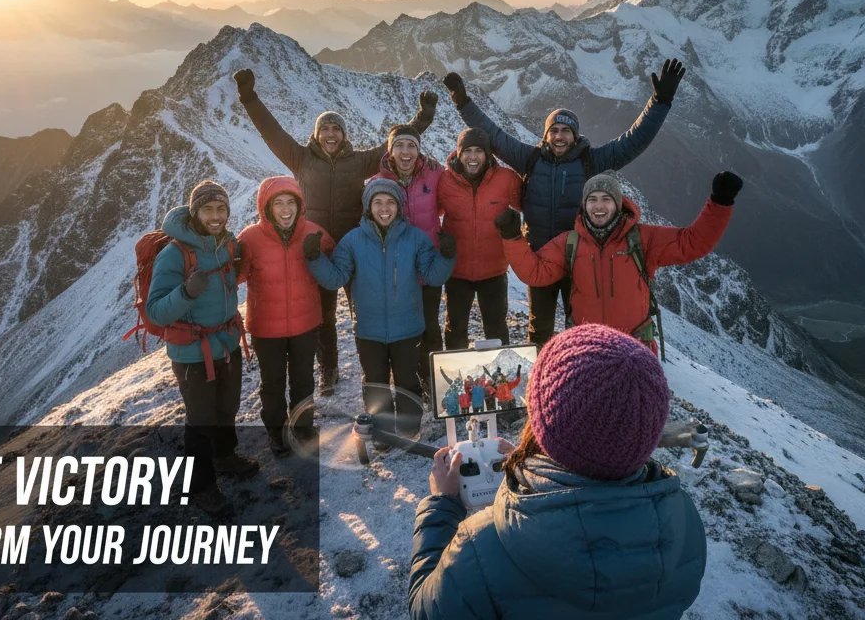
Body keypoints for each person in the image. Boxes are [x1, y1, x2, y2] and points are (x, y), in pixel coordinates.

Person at [409, 324, 706, 618]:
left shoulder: (481, 547)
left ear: (540, 421)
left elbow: (426, 610)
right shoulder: (685, 522)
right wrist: (541, 470)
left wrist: (441, 506)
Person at [442, 60, 685, 348]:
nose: (559, 136)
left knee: (579, 329)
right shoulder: (529, 159)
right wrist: (462, 101)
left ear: (575, 136)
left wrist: (659, 102)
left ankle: (577, 382)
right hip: (541, 258)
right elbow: (493, 136)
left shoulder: (591, 161)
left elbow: (633, 141)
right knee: (539, 328)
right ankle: (543, 384)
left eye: (565, 131)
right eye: (553, 130)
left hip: (580, 259)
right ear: (546, 136)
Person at [234, 68, 436, 396]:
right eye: (324, 129)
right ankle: (329, 369)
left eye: (336, 129)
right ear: (317, 135)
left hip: (357, 248)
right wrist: (248, 96)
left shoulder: (358, 162)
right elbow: (271, 132)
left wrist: (424, 116)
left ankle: (378, 369)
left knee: (365, 311)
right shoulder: (300, 158)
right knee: (324, 315)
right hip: (317, 251)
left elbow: (397, 143)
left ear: (343, 135)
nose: (330, 134)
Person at [495, 172, 740, 353]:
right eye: (592, 200)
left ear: (617, 203)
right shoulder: (569, 243)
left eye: (606, 199)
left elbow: (691, 243)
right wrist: (512, 237)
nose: (599, 206)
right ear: (584, 205)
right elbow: (536, 273)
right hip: (586, 349)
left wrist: (719, 203)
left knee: (633, 416)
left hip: (634, 348)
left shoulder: (642, 239)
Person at [305, 178, 456, 436]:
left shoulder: (415, 238)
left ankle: (409, 431)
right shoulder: (353, 241)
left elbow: (433, 276)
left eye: (390, 202)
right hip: (368, 329)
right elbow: (335, 278)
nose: (384, 208)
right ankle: (383, 434)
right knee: (376, 384)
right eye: (377, 202)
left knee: (408, 383)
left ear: (399, 206)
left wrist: (446, 255)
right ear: (368, 207)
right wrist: (315, 258)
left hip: (408, 328)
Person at [146, 180, 260, 516]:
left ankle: (225, 456)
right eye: (208, 209)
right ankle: (202, 486)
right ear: (195, 212)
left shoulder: (225, 243)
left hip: (226, 343)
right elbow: (155, 311)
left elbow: (231, 276)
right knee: (201, 420)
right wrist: (186, 292)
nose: (215, 215)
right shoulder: (175, 253)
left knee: (227, 408)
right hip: (194, 354)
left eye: (221, 209)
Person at [236, 176, 335, 457]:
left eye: (290, 201)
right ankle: (277, 432)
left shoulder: (314, 232)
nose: (285, 209)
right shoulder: (250, 238)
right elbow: (236, 276)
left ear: (299, 205)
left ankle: (303, 428)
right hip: (266, 328)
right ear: (266, 208)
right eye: (277, 203)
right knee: (273, 381)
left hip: (306, 323)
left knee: (303, 378)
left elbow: (336, 261)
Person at [371, 124, 446, 394]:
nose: (406, 152)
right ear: (390, 151)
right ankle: (408, 381)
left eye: (411, 146)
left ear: (419, 150)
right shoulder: (378, 183)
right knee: (405, 330)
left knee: (430, 327)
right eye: (399, 145)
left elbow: (452, 194)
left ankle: (433, 380)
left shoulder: (435, 175)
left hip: (428, 265)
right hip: (397, 272)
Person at [437, 127, 521, 350]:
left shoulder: (507, 179)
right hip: (457, 272)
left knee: (496, 328)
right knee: (455, 328)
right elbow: (429, 212)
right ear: (458, 153)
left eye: (478, 151)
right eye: (467, 151)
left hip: (493, 272)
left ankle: (500, 380)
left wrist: (518, 226)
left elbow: (528, 205)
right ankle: (456, 377)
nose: (472, 157)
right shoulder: (444, 180)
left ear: (488, 154)